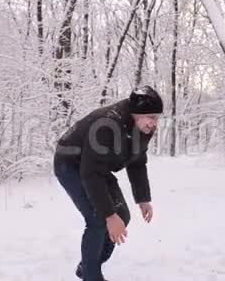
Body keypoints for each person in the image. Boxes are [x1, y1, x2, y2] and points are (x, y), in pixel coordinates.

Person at [53, 85, 163, 281]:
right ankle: (91, 276)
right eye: (152, 117)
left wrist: (143, 198)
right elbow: (91, 174)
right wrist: (109, 215)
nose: (155, 124)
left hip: (95, 167)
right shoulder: (107, 125)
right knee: (98, 219)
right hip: (70, 163)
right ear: (137, 113)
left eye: (158, 118)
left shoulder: (143, 128)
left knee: (122, 216)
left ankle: (87, 266)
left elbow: (137, 161)